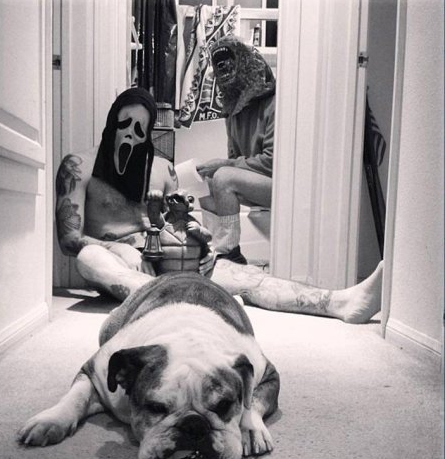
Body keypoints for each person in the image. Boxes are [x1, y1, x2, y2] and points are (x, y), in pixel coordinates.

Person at [55, 86, 383, 324]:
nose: (130, 133)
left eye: (139, 129)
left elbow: (178, 221)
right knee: (88, 257)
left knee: (248, 277)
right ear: (112, 120)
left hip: (166, 262)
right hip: (119, 265)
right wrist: (117, 248)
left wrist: (198, 239)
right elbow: (69, 240)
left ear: (148, 133)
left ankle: (338, 302)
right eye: (124, 123)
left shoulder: (162, 169)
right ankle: (179, 298)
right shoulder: (78, 166)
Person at [196, 36, 276, 265]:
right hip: (259, 183)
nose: (223, 72)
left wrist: (225, 166)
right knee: (205, 183)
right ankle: (215, 248)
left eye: (228, 64)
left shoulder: (274, 104)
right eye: (218, 67)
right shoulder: (233, 110)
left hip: (282, 187)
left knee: (222, 176)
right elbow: (235, 160)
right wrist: (221, 168)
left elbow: (272, 162)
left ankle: (230, 253)